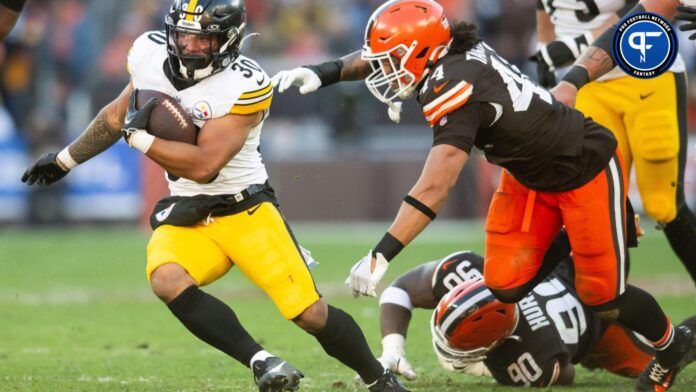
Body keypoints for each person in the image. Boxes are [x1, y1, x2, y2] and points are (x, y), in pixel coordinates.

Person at [272, 1, 696, 390]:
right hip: (529, 174)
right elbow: (381, 54)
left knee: (602, 295)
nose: (384, 71)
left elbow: (436, 186)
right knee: (504, 282)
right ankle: (573, 242)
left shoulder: (453, 86)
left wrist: (381, 254)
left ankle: (672, 343)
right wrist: (324, 72)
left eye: (391, 62)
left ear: (421, 53)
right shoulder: (448, 49)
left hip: (582, 170)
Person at [20, 1, 407, 391]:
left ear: (229, 40)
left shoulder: (245, 84)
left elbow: (205, 164)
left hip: (246, 209)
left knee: (308, 313)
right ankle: (262, 361)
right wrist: (66, 160)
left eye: (201, 38)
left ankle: (379, 379)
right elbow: (116, 116)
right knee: (166, 278)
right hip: (190, 212)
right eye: (182, 34)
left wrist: (140, 138)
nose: (187, 45)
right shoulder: (149, 54)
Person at [378, 238, 696, 387]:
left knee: (666, 356)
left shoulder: (523, 360)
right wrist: (393, 348)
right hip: (569, 267)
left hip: (599, 330)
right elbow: (400, 290)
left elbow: (565, 373)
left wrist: (485, 369)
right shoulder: (469, 269)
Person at [534, 0, 696, 286]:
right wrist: (544, 49)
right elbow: (546, 10)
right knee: (605, 209)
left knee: (664, 205)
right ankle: (616, 321)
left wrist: (575, 51)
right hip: (589, 88)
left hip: (648, 73)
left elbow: (652, 7)